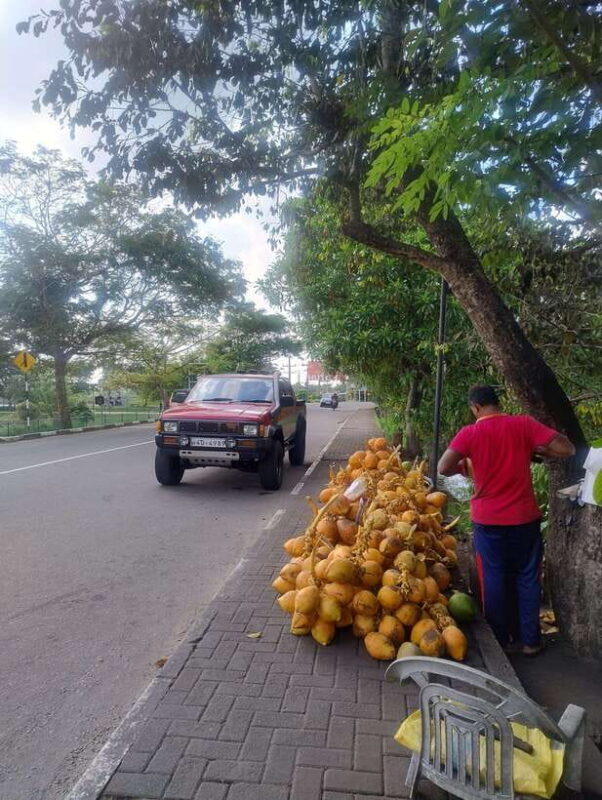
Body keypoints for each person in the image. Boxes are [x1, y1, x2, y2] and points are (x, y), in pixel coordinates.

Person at [438, 385, 575, 656]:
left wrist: (465, 466)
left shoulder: (470, 433)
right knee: (528, 578)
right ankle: (531, 642)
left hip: (489, 522)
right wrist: (537, 453)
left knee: (494, 579)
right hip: (525, 519)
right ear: (497, 403)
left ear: (475, 407)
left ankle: (502, 641)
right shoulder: (522, 425)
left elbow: (443, 467)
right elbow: (566, 448)